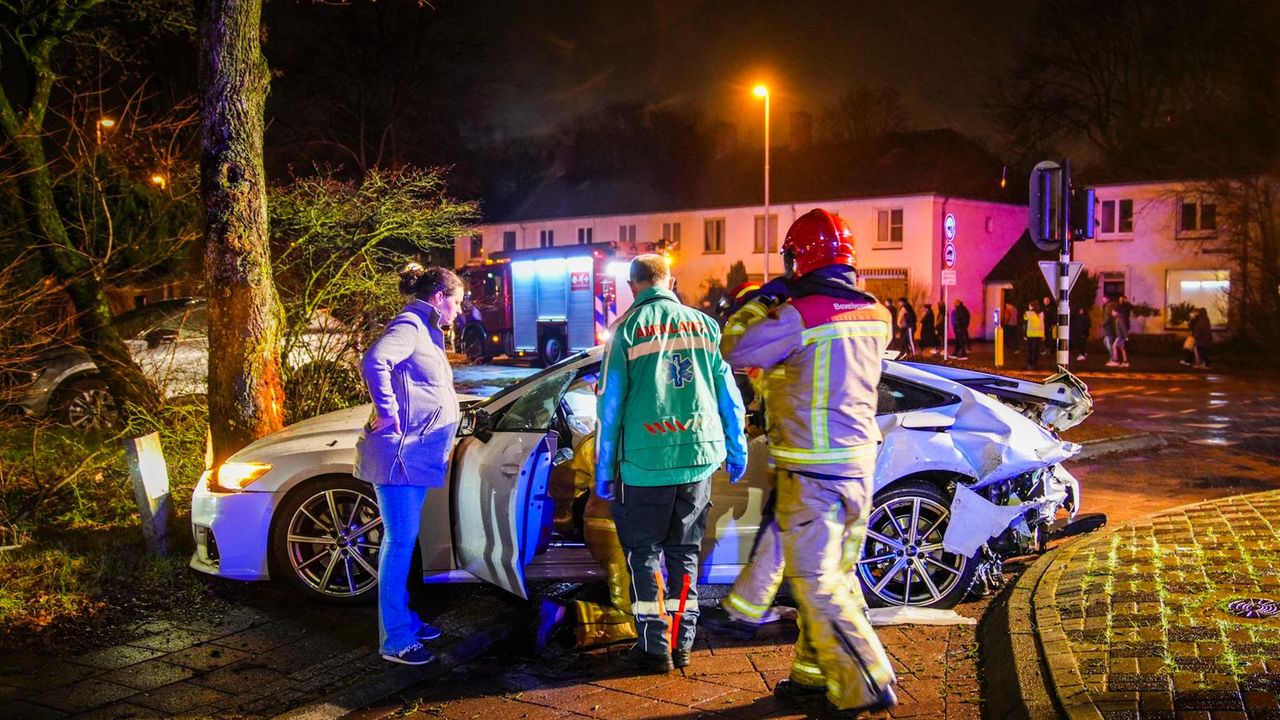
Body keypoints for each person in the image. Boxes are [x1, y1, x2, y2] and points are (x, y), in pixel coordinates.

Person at [723, 209, 897, 716]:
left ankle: (867, 677)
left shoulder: (801, 314)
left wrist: (763, 300)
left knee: (816, 582)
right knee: (830, 578)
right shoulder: (876, 314)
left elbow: (736, 347)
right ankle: (814, 677)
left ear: (798, 257)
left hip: (812, 470)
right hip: (859, 467)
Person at [595, 254, 748, 674]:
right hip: (697, 460)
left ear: (633, 285)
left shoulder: (624, 331)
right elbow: (728, 395)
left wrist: (604, 471)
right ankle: (683, 643)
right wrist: (736, 450)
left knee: (643, 554)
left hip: (643, 464)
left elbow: (609, 408)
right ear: (670, 281)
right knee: (684, 553)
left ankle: (653, 645)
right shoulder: (704, 325)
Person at [355, 264, 463, 666]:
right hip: (399, 456)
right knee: (398, 545)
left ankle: (405, 621)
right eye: (456, 301)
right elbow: (375, 361)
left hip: (413, 456)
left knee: (402, 543)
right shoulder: (411, 325)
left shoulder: (426, 329)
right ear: (438, 298)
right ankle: (395, 640)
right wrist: (388, 413)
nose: (458, 310)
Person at [1024, 301, 1044, 370]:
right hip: (1039, 334)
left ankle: (1030, 364)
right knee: (1036, 350)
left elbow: (1024, 324)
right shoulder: (1041, 314)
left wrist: (1024, 334)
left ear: (1031, 306)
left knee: (1030, 350)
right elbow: (1043, 324)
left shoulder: (1027, 313)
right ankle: (1034, 364)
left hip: (1030, 334)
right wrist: (1044, 335)